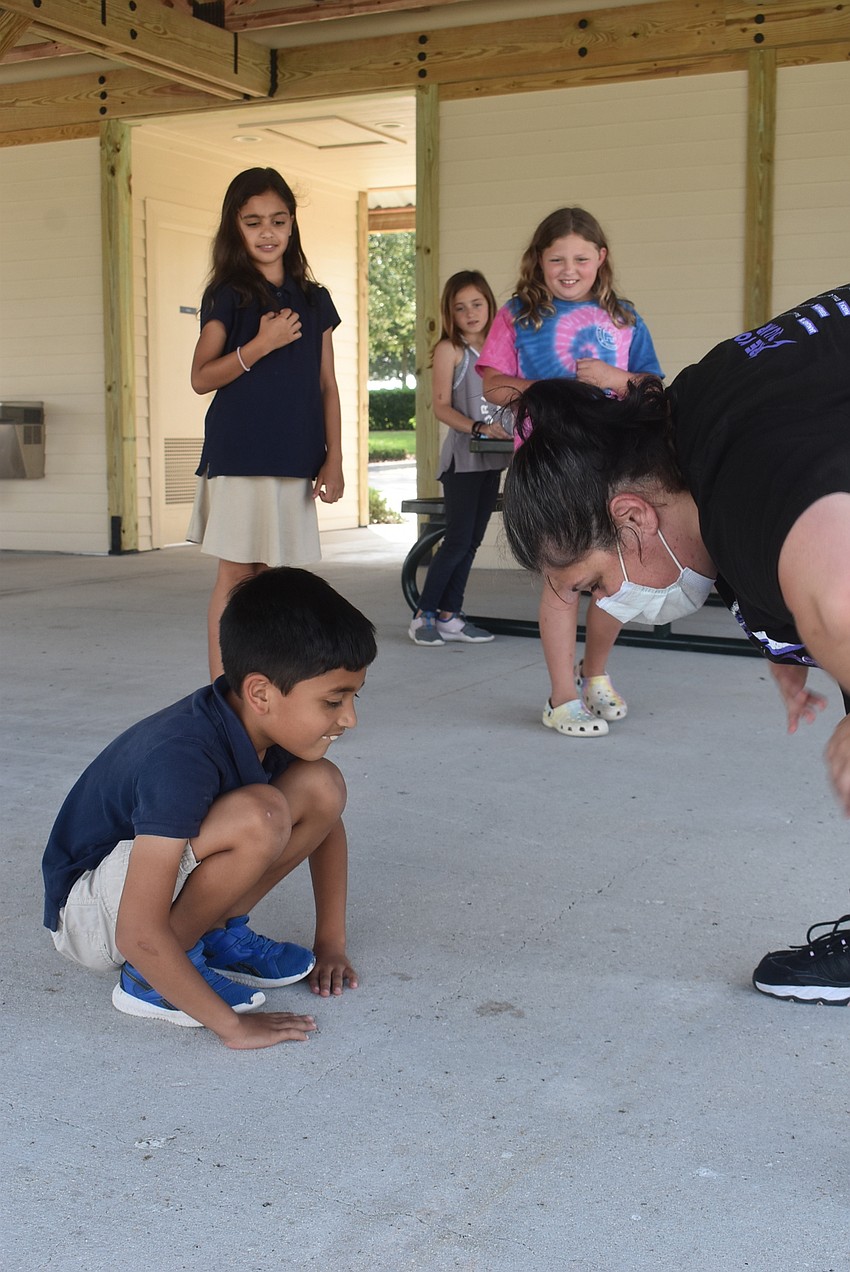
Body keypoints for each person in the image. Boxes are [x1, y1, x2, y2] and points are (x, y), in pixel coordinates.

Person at [500, 283, 850, 1005]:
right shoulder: (688, 416)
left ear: (631, 515)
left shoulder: (753, 505)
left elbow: (834, 592)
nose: (609, 602)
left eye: (594, 584)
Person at [42, 568, 377, 1049]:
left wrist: (331, 944)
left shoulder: (264, 727)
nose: (349, 718)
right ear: (261, 693)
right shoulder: (183, 756)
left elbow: (327, 827)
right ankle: (150, 981)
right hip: (91, 916)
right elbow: (136, 928)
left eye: (353, 696)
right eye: (333, 700)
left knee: (322, 785)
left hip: (134, 898)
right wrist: (232, 1027)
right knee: (261, 813)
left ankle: (208, 934)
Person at [477, 207, 663, 736]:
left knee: (618, 577)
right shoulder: (517, 314)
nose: (568, 269)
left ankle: (595, 673)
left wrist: (613, 377)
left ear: (600, 259)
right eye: (556, 258)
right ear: (538, 261)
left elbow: (653, 388)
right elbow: (492, 386)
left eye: (581, 258)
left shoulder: (625, 318)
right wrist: (551, 391)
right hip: (549, 463)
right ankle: (561, 698)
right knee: (563, 578)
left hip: (615, 460)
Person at [188, 167, 344, 679]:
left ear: (293, 224)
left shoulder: (315, 300)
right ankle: (221, 693)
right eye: (253, 222)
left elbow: (326, 384)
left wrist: (334, 457)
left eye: (278, 220)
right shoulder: (228, 295)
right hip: (240, 453)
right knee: (237, 574)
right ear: (236, 226)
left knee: (276, 580)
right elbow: (201, 377)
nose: (267, 232)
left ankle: (270, 692)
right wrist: (260, 344)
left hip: (295, 454)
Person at [408, 270, 512, 647]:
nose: (470, 313)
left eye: (477, 304)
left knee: (471, 542)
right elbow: (440, 408)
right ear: (450, 313)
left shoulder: (499, 348)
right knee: (456, 540)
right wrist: (480, 428)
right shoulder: (450, 350)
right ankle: (424, 616)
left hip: (490, 461)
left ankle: (451, 616)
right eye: (460, 307)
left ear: (489, 305)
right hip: (463, 461)